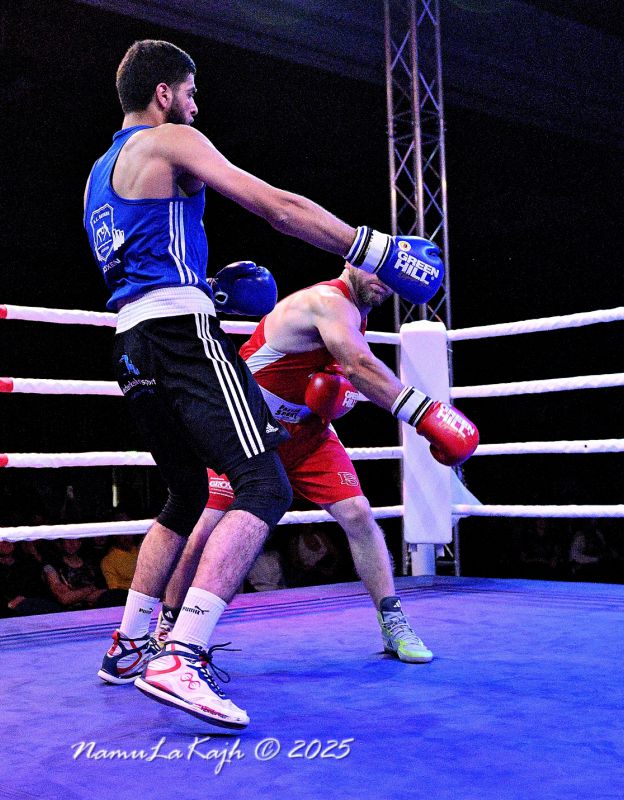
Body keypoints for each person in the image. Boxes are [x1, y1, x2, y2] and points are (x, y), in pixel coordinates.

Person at [83, 39, 449, 729]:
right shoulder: (171, 139)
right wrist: (375, 248)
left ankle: (129, 644)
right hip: (179, 334)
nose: (195, 106)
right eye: (190, 93)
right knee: (265, 486)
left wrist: (205, 282)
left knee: (188, 491)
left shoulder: (100, 173)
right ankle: (181, 655)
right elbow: (276, 206)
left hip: (129, 343)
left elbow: (141, 258)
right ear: (163, 93)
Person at [153, 264, 478, 664]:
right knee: (205, 528)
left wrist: (334, 398)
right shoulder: (326, 301)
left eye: (391, 276)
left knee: (358, 513)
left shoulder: (355, 314)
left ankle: (393, 621)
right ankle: (168, 624)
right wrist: (426, 414)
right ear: (352, 262)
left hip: (307, 434)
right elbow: (359, 367)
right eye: (376, 270)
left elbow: (337, 383)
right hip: (248, 428)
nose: (383, 282)